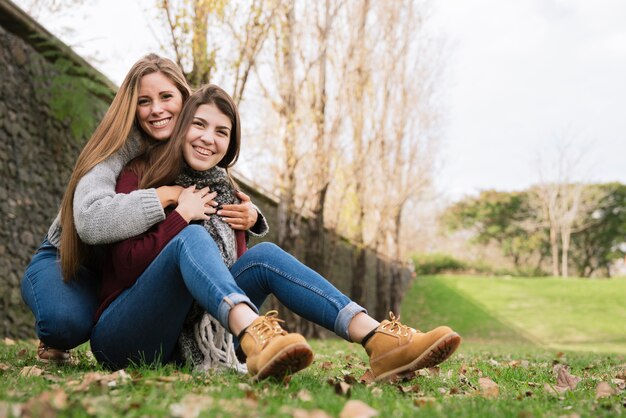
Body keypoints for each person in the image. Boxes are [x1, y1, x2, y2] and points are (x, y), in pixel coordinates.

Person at [90, 84, 462, 382]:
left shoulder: (224, 192)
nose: (208, 138)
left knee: (264, 256)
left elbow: (222, 272)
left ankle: (375, 337)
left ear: (230, 143)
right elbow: (123, 269)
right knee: (190, 238)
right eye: (199, 124)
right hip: (124, 336)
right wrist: (180, 218)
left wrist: (247, 223)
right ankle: (252, 331)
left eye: (222, 131)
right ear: (181, 126)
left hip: (184, 340)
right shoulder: (140, 175)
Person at [20, 54, 267, 363]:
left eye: (166, 97)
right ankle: (53, 337)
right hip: (73, 259)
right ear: (131, 107)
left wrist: (251, 216)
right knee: (63, 323)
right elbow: (90, 220)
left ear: (184, 98)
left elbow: (215, 192)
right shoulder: (116, 149)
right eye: (144, 101)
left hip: (127, 272)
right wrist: (164, 194)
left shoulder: (193, 140)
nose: (157, 110)